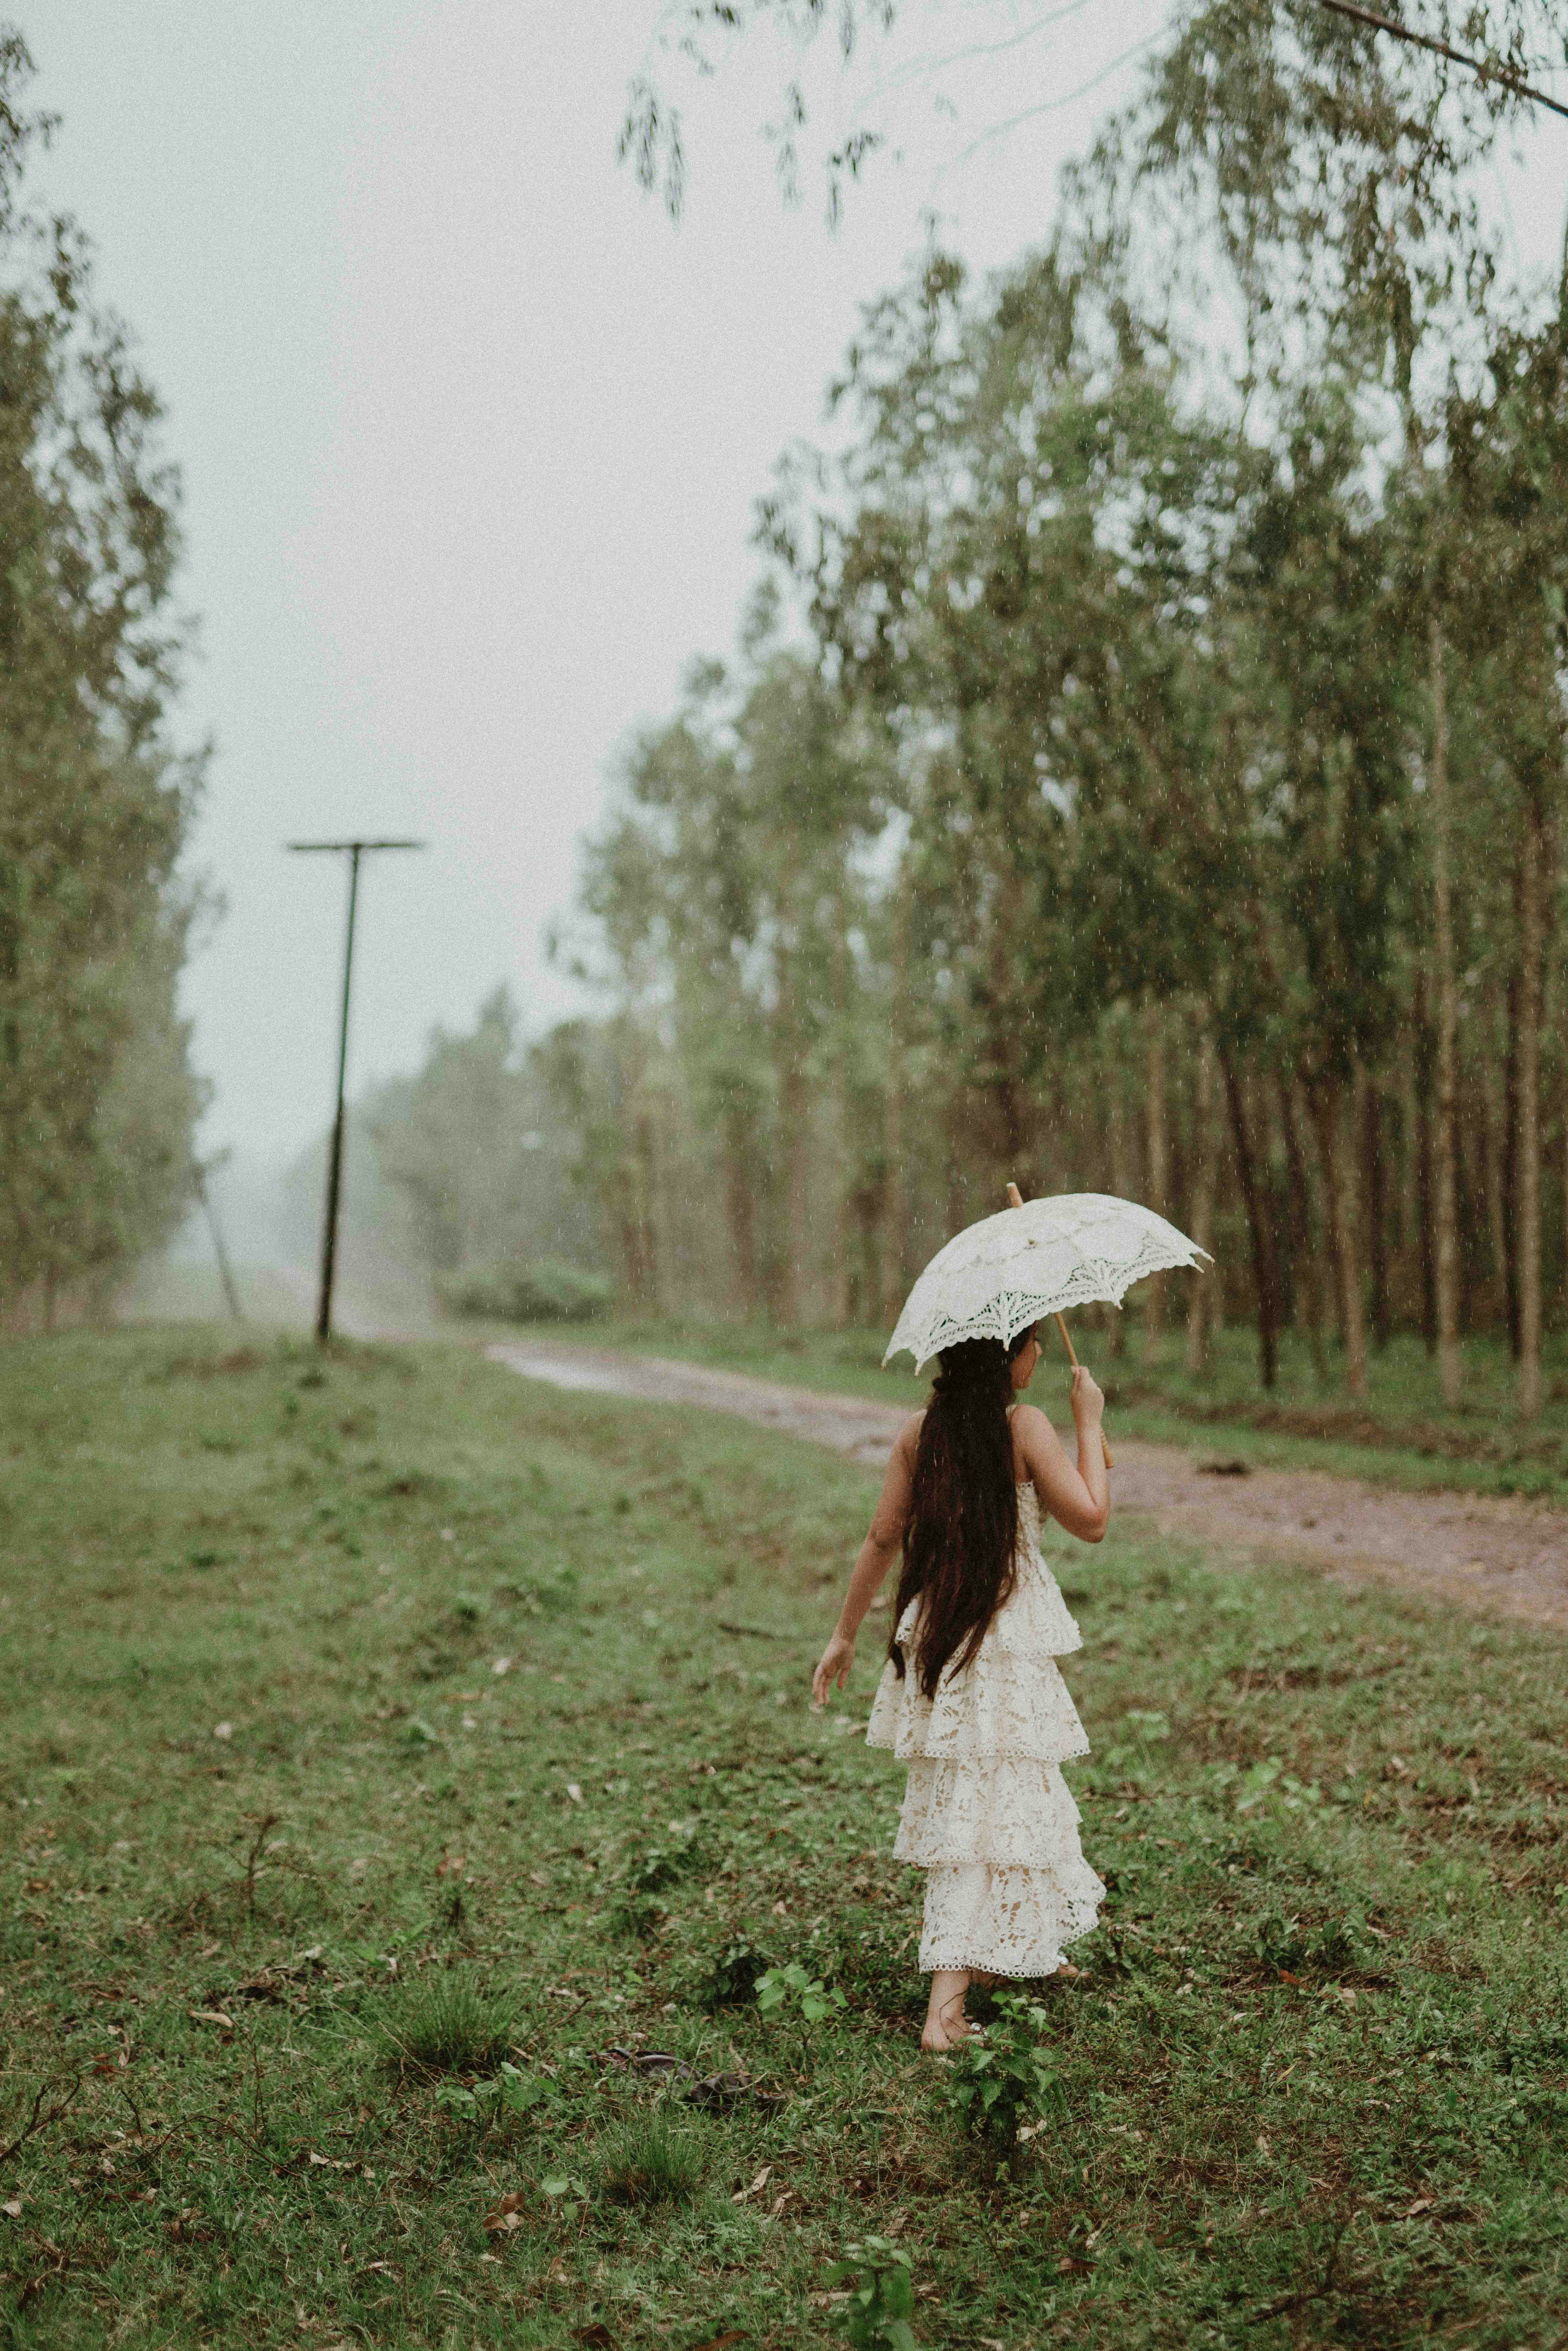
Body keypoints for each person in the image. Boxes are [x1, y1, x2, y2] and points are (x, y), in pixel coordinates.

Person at [811, 1324, 1109, 2050]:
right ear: (1010, 1357)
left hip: (945, 1635)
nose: (1039, 1356)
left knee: (1006, 1795)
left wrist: (845, 1632)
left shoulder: (924, 1430)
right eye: (1032, 1344)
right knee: (990, 1802)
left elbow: (883, 1537)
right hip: (1000, 1642)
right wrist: (1091, 1425)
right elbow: (1093, 1520)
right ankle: (944, 2013)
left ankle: (1017, 1950)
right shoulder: (1027, 1425)